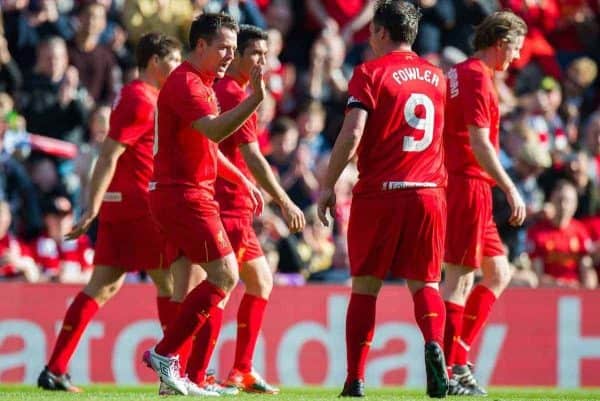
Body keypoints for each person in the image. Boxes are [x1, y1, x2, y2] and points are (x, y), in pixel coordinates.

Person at [36, 32, 183, 392]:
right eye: (174, 61)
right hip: (139, 206)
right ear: (154, 62)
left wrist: (100, 205)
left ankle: (55, 368)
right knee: (171, 283)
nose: (178, 69)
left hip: (122, 205)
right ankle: (174, 374)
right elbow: (108, 155)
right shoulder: (141, 100)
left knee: (102, 285)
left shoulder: (138, 96)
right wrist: (91, 207)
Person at [317, 0, 449, 398]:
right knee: (425, 283)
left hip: (382, 193)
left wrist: (327, 185)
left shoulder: (369, 73)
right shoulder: (437, 78)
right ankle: (433, 344)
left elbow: (353, 133)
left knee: (366, 287)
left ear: (380, 33)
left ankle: (355, 380)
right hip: (428, 193)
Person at [171, 24, 305, 395]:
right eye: (255, 54)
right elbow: (253, 157)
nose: (263, 61)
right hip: (225, 205)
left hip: (234, 204)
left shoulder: (234, 91)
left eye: (266, 54)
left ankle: (234, 370)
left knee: (255, 281)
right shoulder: (231, 92)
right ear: (237, 56)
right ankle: (195, 373)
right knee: (221, 287)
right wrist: (284, 199)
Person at [142, 13, 266, 396]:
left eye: (232, 48)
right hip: (183, 194)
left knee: (207, 280)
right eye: (223, 47)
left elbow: (208, 148)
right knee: (225, 275)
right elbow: (214, 129)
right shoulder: (188, 83)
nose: (230, 55)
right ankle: (167, 355)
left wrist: (241, 179)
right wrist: (257, 98)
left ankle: (176, 378)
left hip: (191, 192)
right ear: (200, 46)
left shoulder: (203, 83)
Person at [442, 10, 527, 396]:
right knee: (459, 280)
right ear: (502, 42)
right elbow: (479, 143)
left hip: (467, 184)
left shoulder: (460, 71)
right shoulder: (477, 77)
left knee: (498, 273)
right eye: (516, 48)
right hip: (466, 184)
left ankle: (458, 358)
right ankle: (446, 370)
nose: (517, 57)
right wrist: (510, 187)